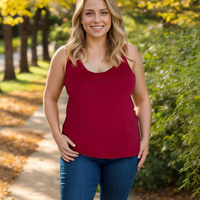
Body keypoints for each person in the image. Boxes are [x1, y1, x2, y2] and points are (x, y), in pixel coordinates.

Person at [43, 0, 151, 199]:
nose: (97, 19)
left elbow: (142, 100)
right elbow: (50, 97)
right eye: (89, 13)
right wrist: (57, 135)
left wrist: (146, 138)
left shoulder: (130, 53)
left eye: (103, 12)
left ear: (112, 17)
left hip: (125, 152)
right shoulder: (64, 55)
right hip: (78, 152)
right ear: (80, 19)